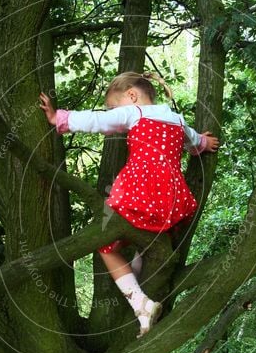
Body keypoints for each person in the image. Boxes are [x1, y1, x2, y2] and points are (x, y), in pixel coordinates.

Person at [39, 71, 220, 338]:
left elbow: (98, 121)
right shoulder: (178, 120)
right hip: (170, 198)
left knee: (106, 245)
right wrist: (205, 143)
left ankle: (139, 302)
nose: (113, 112)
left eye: (114, 106)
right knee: (145, 244)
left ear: (132, 96)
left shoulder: (135, 112)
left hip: (141, 190)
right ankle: (141, 309)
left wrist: (60, 118)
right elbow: (195, 142)